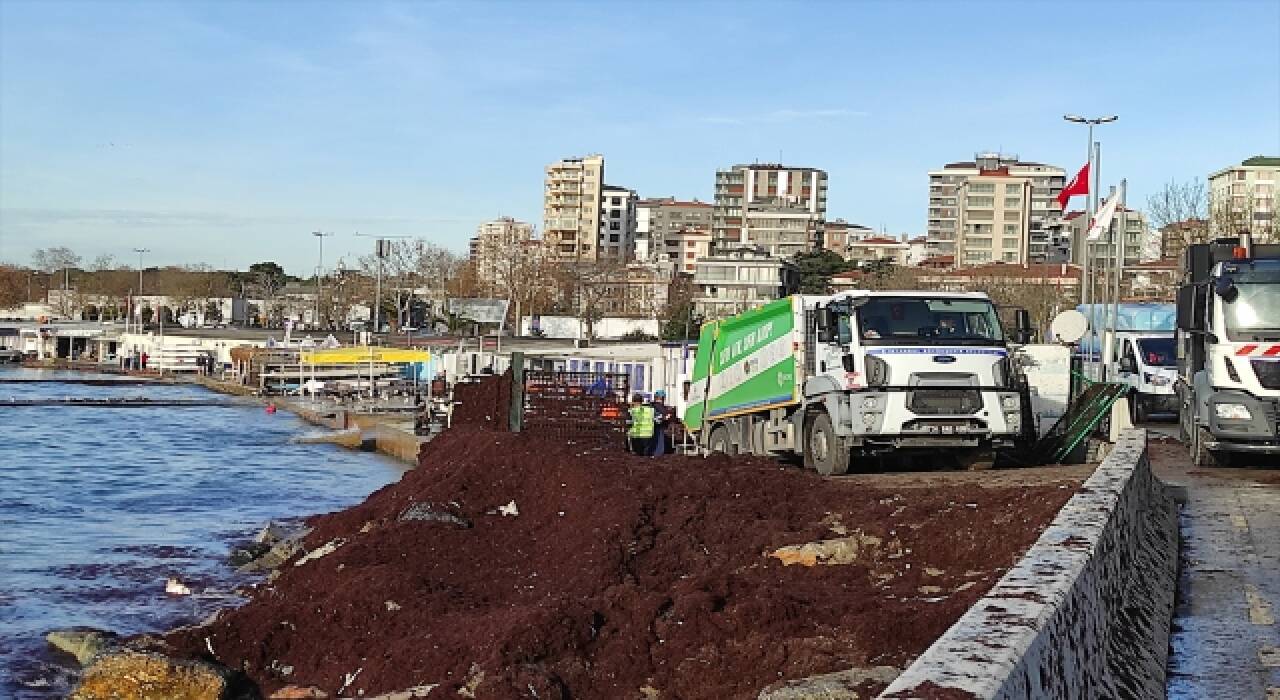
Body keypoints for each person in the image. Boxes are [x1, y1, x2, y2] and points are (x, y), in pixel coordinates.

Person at [650, 389, 673, 456]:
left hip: (651, 426)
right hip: (659, 426)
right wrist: (667, 416)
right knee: (658, 442)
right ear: (662, 398)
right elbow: (664, 416)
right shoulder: (660, 407)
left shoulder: (651, 405)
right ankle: (657, 454)